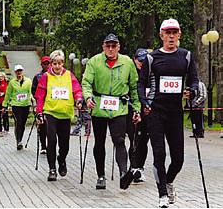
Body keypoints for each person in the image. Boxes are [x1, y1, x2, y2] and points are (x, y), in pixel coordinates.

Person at [138, 18, 199, 208]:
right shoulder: (151, 58)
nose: (171, 36)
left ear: (179, 34)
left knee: (178, 159)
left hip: (175, 113)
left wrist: (192, 91)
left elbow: (194, 80)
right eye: (168, 33)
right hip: (156, 111)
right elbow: (141, 84)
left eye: (174, 32)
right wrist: (145, 102)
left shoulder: (186, 56)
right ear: (161, 35)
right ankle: (162, 194)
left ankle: (169, 181)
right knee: (159, 154)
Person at [82, 33, 141, 190]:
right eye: (107, 45)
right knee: (99, 142)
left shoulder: (127, 62)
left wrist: (137, 108)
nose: (110, 48)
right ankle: (101, 176)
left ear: (118, 47)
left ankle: (123, 174)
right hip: (99, 106)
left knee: (119, 140)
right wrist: (88, 98)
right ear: (103, 47)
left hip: (119, 107)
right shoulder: (94, 62)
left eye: (113, 46)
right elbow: (86, 83)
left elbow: (134, 87)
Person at [35, 50, 83, 181]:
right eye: (54, 63)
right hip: (50, 112)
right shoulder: (46, 76)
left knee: (64, 144)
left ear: (63, 63)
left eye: (59, 63)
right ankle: (52, 169)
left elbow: (77, 89)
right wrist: (39, 112)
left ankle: (61, 159)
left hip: (65, 114)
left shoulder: (69, 75)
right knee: (51, 141)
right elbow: (40, 95)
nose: (57, 66)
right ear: (51, 64)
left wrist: (79, 99)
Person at [125, 48, 152, 184]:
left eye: (144, 61)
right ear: (134, 60)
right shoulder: (131, 72)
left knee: (143, 141)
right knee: (133, 140)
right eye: (140, 61)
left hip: (147, 112)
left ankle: (140, 167)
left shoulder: (150, 73)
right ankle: (133, 167)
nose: (142, 63)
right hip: (133, 111)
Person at [2, 64, 32, 150]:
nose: (19, 72)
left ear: (22, 71)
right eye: (17, 71)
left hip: (26, 105)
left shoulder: (28, 81)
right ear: (15, 72)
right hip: (16, 105)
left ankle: (20, 139)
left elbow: (30, 92)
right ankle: (18, 141)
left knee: (22, 124)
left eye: (20, 71)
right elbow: (8, 94)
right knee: (18, 122)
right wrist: (5, 105)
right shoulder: (12, 82)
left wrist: (33, 100)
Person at [32, 56, 51, 154]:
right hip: (42, 105)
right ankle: (43, 146)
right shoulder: (38, 77)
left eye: (48, 63)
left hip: (52, 104)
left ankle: (50, 146)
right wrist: (39, 98)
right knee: (42, 126)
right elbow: (33, 90)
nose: (47, 65)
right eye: (45, 64)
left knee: (51, 127)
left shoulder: (54, 75)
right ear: (42, 65)